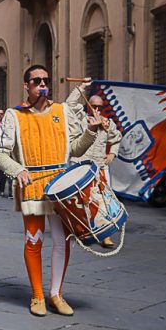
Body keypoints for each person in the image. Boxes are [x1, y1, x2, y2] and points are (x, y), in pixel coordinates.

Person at [0, 64, 104, 317]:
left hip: (61, 186)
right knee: (34, 240)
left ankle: (56, 294)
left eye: (45, 80)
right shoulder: (14, 115)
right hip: (31, 185)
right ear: (26, 86)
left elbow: (74, 149)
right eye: (36, 80)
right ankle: (38, 295)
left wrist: (92, 131)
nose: (42, 84)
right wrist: (17, 169)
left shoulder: (62, 111)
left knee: (63, 241)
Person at [66, 81, 122, 249]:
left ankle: (106, 235)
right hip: (80, 166)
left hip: (100, 167)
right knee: (80, 201)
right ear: (89, 105)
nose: (97, 109)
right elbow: (70, 104)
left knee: (105, 200)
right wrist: (81, 88)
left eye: (100, 107)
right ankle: (82, 231)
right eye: (94, 106)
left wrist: (112, 152)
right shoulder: (81, 118)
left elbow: (116, 137)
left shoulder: (107, 123)